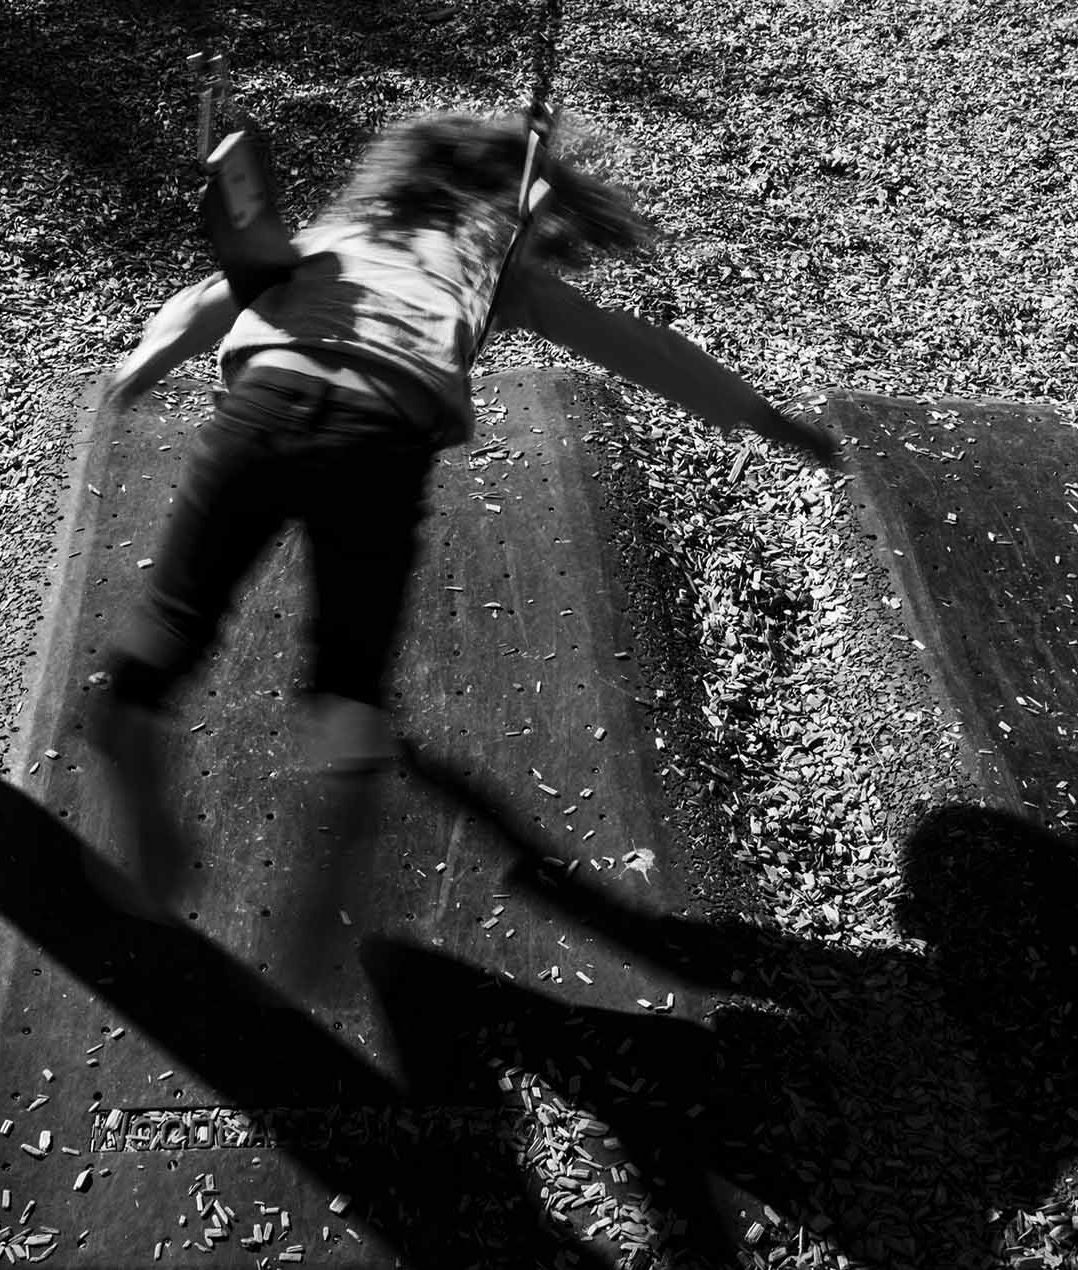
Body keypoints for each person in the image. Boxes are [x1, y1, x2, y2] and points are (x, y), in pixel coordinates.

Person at [87, 110, 839, 929]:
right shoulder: (489, 264)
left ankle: (134, 712)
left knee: (175, 615)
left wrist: (142, 365)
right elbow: (641, 347)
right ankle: (331, 861)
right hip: (376, 438)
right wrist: (770, 420)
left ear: (395, 178)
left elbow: (202, 303)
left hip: (262, 404)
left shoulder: (333, 235)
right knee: (347, 676)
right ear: (506, 208)